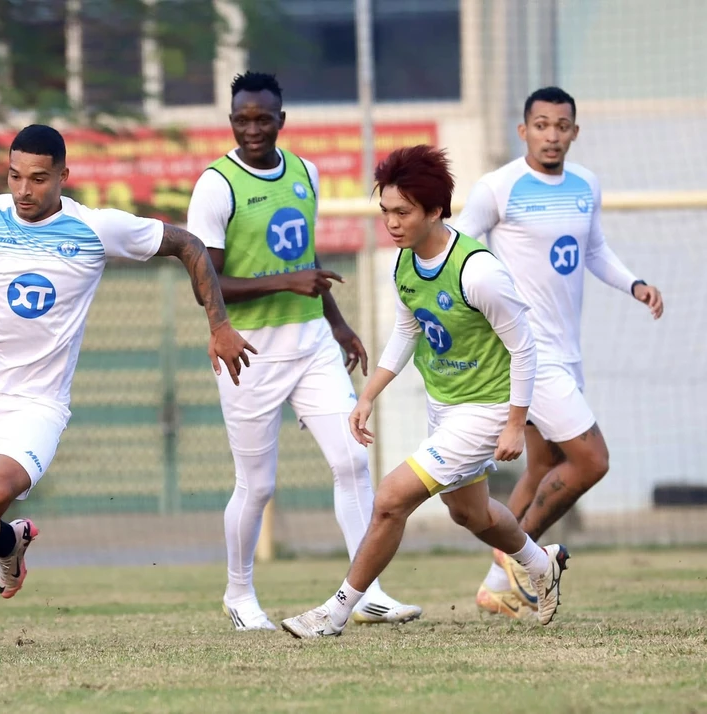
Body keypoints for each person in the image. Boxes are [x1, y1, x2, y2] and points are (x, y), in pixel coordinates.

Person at [0, 124, 255, 643]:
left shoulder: (96, 229)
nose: (24, 190)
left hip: (39, 402)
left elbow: (188, 244)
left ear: (64, 176)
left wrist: (219, 323)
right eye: (15, 176)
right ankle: (8, 543)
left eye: (39, 179)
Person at [281, 144, 570, 639]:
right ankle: (539, 562)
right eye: (385, 211)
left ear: (435, 210)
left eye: (403, 212)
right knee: (469, 513)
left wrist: (515, 422)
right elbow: (407, 330)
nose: (391, 223)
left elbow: (525, 348)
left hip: (486, 407)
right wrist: (369, 394)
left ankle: (335, 612)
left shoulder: (478, 271)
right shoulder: (404, 264)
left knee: (390, 499)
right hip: (446, 405)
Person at [185, 71, 422, 632]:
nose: (253, 129)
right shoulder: (216, 185)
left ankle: (367, 592)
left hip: (312, 344)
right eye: (242, 119)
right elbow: (206, 283)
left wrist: (337, 323)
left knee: (353, 460)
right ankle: (239, 594)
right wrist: (285, 282)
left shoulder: (306, 174)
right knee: (258, 484)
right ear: (231, 121)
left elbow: (308, 263)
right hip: (249, 353)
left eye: (263, 119)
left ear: (281, 120)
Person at [454, 87, 664, 620]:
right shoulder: (497, 188)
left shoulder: (585, 185)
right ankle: (524, 564)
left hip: (566, 353)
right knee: (592, 460)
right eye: (541, 125)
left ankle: (494, 584)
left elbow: (593, 249)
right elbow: (457, 247)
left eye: (561, 126)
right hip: (530, 354)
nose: (551, 135)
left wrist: (633, 283)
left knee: (544, 463)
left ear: (574, 131)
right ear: (523, 131)